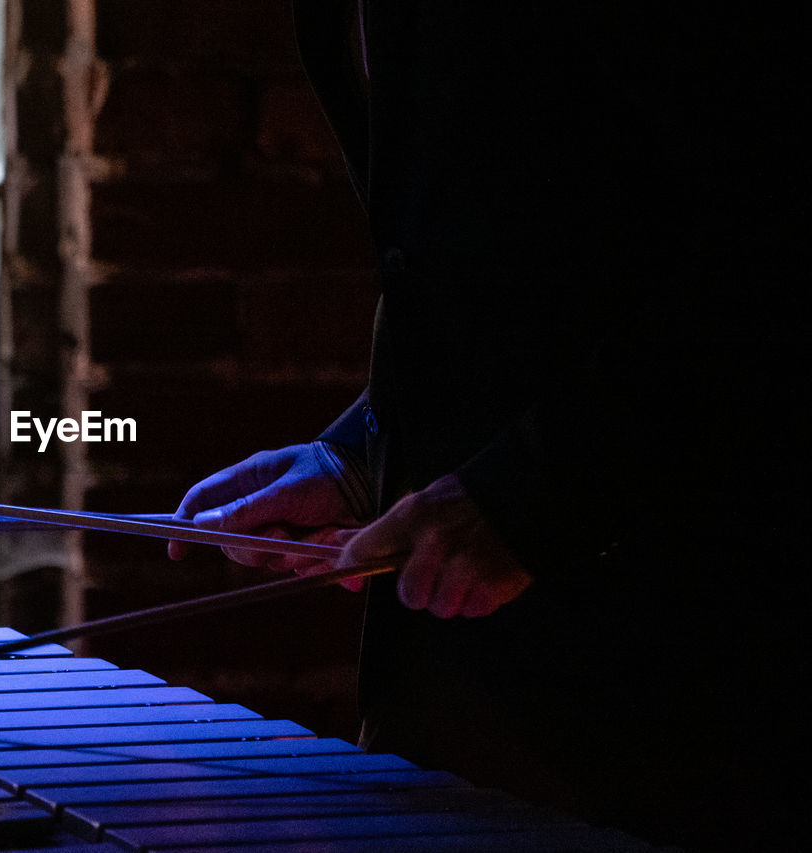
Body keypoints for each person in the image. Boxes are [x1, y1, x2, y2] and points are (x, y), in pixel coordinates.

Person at [169, 3, 808, 850]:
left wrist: (533, 492)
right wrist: (364, 450)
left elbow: (762, 248)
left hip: (707, 681)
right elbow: (515, 278)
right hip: (470, 705)